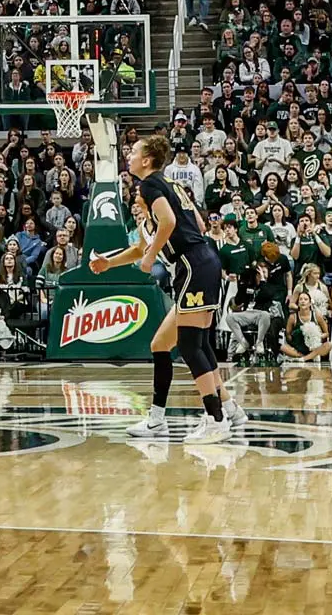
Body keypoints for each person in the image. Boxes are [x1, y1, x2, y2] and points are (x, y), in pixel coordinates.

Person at [89, 135, 236, 445]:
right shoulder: (169, 185)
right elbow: (195, 223)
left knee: (190, 346)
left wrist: (151, 256)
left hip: (194, 265)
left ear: (146, 160)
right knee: (175, 344)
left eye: (133, 152)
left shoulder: (150, 184)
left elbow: (168, 222)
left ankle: (216, 418)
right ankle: (213, 412)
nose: (128, 157)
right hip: (203, 262)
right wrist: (110, 263)